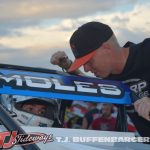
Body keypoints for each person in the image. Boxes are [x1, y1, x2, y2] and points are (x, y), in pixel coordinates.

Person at [51, 21, 150, 137]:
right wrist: (68, 65)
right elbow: (89, 83)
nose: (86, 69)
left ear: (106, 48)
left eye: (89, 61)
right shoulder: (111, 80)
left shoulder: (146, 52)